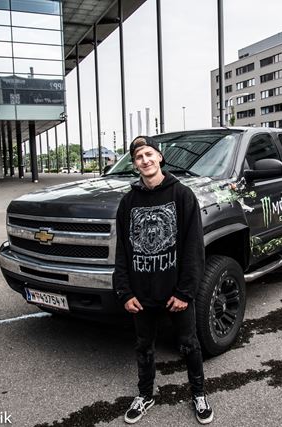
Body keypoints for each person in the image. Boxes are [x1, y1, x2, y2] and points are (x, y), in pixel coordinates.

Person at [113, 136, 213, 425]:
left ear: (160, 157)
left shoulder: (182, 195)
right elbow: (123, 250)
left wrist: (185, 292)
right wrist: (124, 291)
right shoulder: (128, 202)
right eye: (138, 157)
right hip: (141, 293)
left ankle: (199, 394)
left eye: (149, 154)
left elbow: (194, 248)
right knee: (143, 346)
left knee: (189, 344)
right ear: (135, 165)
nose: (144, 160)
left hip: (175, 292)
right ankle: (145, 395)